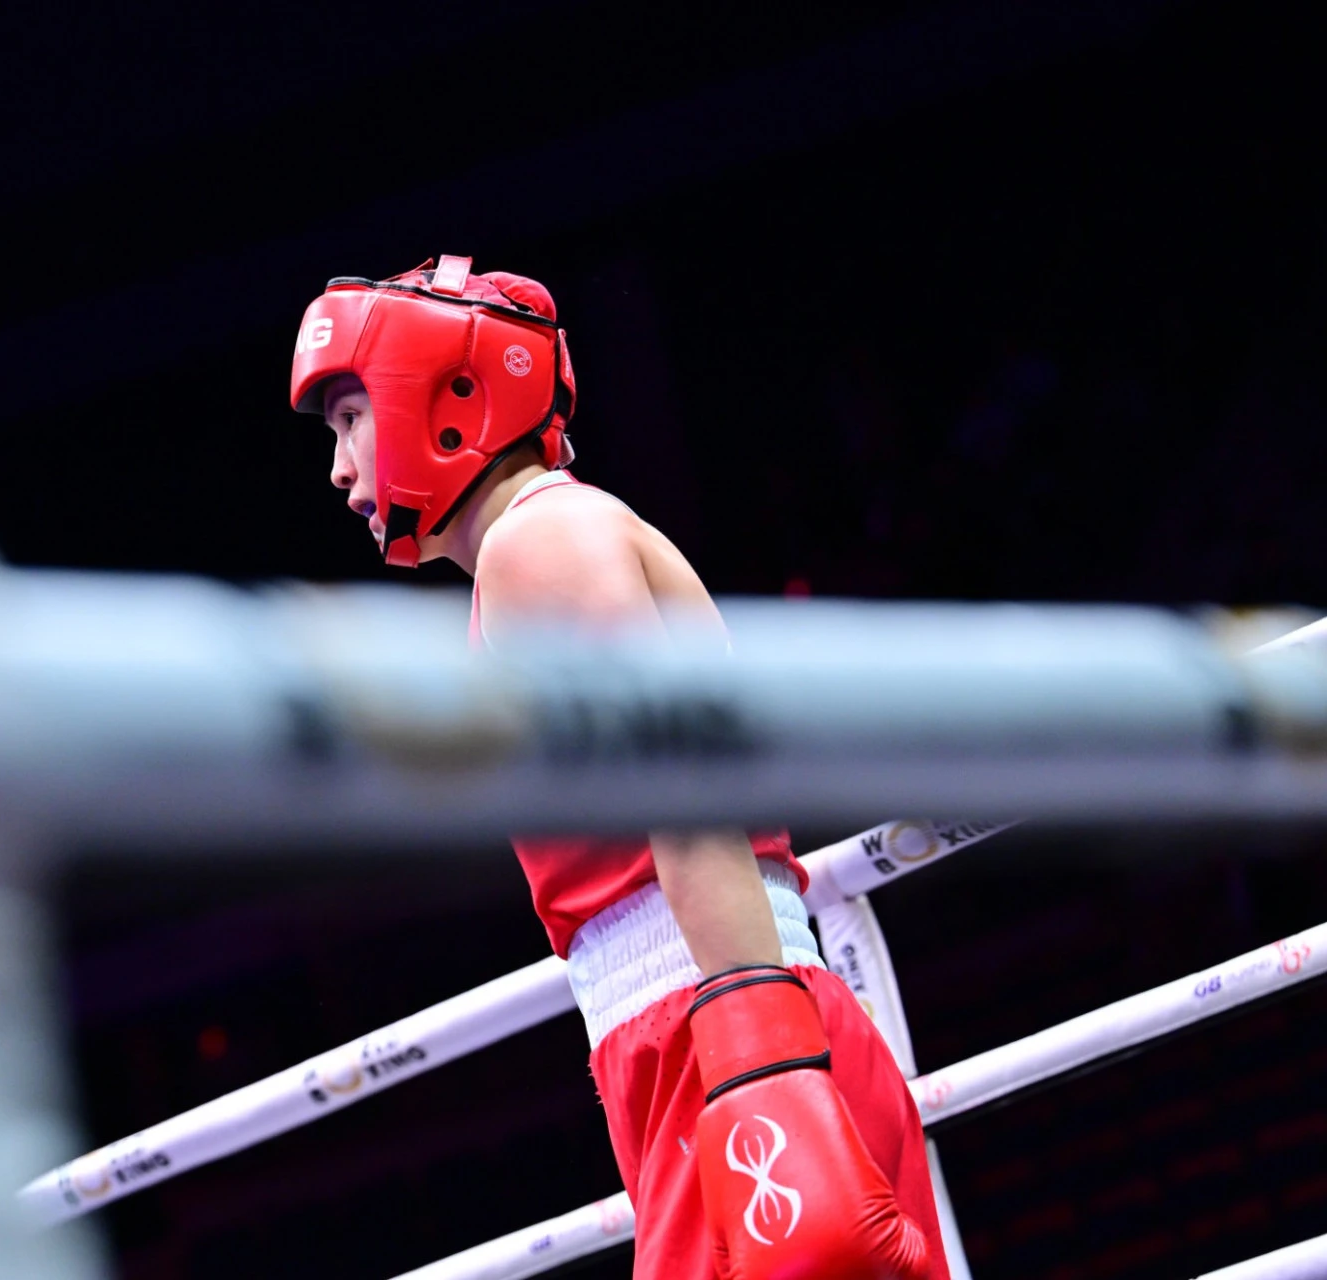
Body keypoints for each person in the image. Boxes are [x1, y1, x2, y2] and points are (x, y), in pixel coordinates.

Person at [289, 256, 948, 1280]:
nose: (339, 468)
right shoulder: (544, 546)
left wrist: (764, 1068)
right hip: (701, 1029)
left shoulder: (541, 541)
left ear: (444, 395)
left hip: (721, 1028)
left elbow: (685, 801)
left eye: (349, 418)